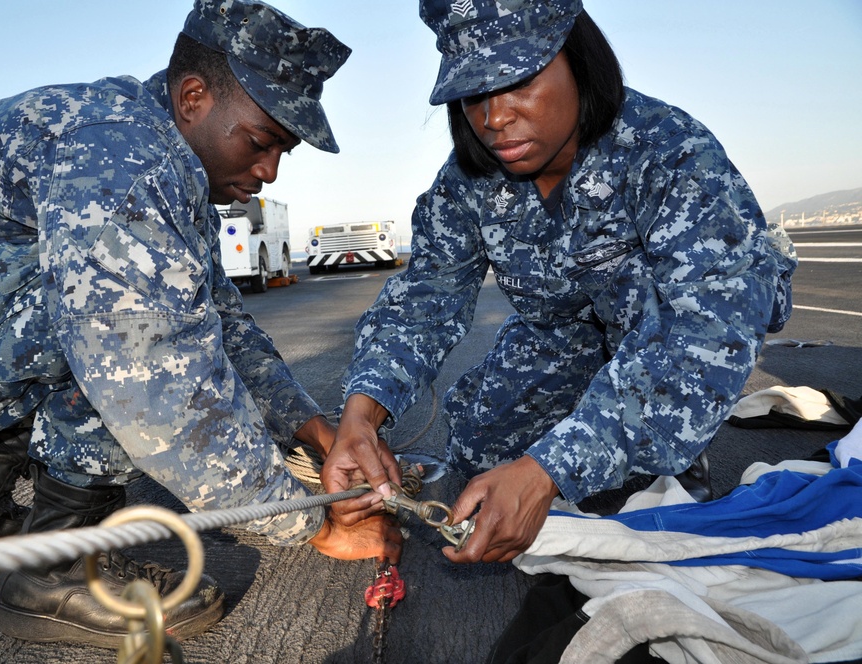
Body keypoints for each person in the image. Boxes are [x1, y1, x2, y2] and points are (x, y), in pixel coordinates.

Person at [0, 0, 401, 649]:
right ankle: (53, 570)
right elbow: (155, 379)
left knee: (140, 307)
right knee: (120, 324)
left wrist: (315, 428)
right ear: (194, 97)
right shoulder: (124, 154)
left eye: (281, 153)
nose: (269, 173)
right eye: (261, 143)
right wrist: (311, 526)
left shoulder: (168, 161)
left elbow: (222, 323)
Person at [322, 0, 797, 567]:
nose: (495, 117)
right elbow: (424, 300)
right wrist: (360, 416)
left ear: (579, 59)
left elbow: (708, 328)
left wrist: (548, 469)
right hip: (565, 325)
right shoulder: (467, 183)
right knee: (479, 452)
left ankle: (673, 452)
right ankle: (607, 424)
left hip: (675, 326)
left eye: (519, 81)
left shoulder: (669, 152)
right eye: (474, 93)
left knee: (636, 339)